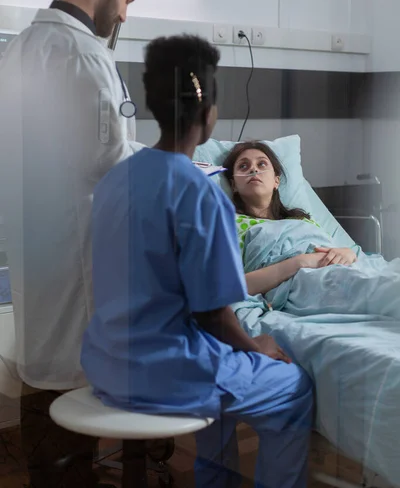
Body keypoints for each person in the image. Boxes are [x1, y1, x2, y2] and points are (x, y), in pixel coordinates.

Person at [81, 35, 314, 488]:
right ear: (209, 113)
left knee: (221, 375)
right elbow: (212, 315)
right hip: (165, 374)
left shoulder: (115, 180)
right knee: (294, 389)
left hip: (107, 360)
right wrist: (258, 347)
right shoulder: (201, 192)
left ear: (151, 102)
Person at [0, 0, 139, 488]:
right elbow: (105, 163)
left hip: (36, 248)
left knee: (45, 377)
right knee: (73, 385)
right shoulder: (83, 55)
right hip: (80, 256)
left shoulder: (19, 49)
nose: (125, 13)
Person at [223, 141, 400, 320]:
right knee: (384, 288)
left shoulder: (301, 219)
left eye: (261, 164)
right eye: (243, 166)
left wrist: (347, 253)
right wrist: (301, 262)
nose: (254, 169)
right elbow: (233, 286)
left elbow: (333, 248)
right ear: (234, 185)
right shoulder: (231, 224)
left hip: (348, 267)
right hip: (305, 282)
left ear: (276, 180)